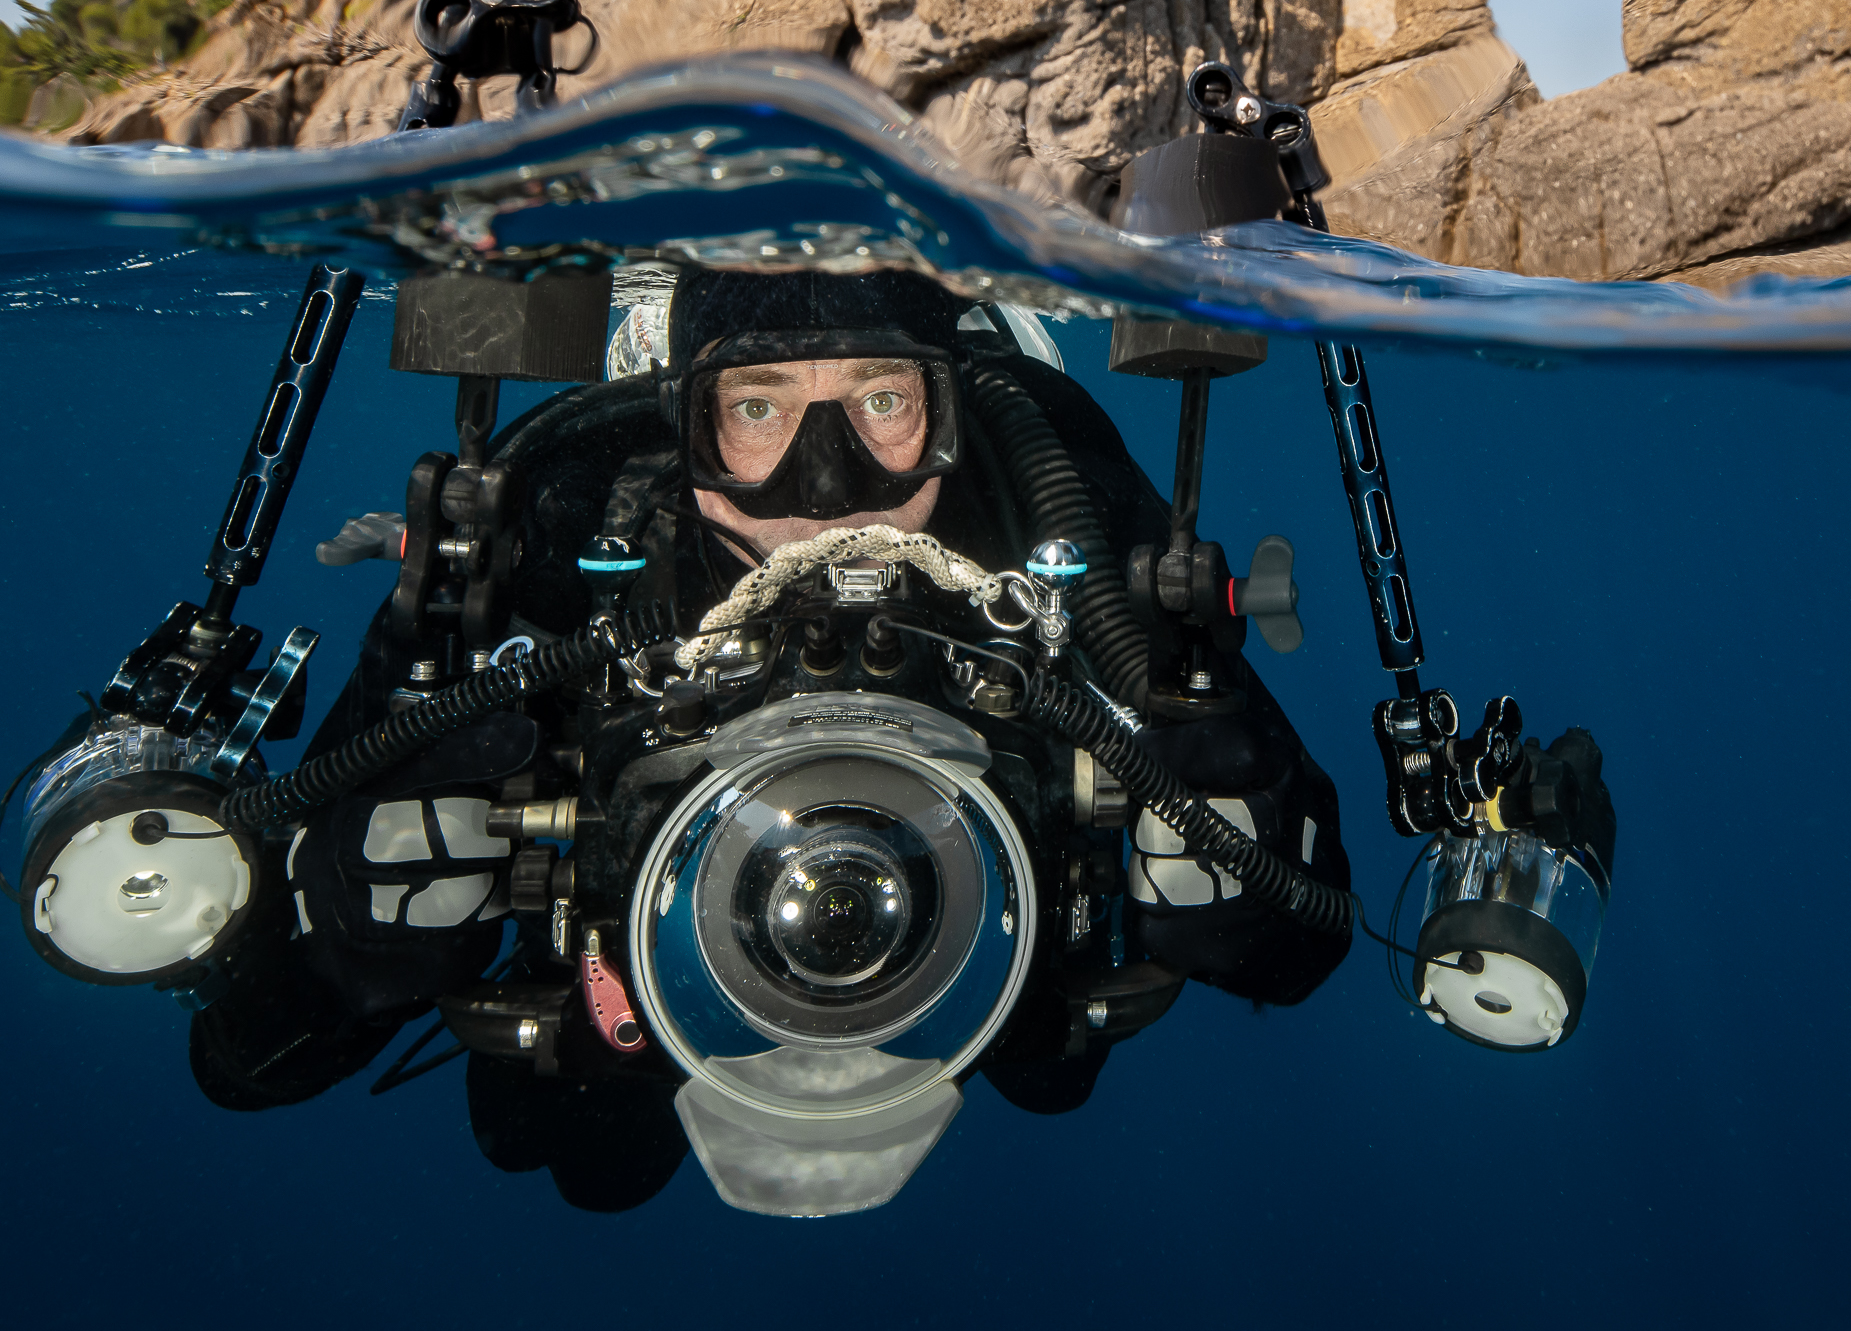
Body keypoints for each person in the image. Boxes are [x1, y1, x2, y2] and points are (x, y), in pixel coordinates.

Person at [184, 266, 1351, 1210]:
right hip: (622, 997)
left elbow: (1305, 938)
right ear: (684, 419)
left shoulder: (1059, 506)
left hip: (994, 968)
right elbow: (243, 1063)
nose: (825, 485)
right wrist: (344, 953)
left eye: (883, 401)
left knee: (1049, 1064)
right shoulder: (564, 510)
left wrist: (1238, 875)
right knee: (581, 1149)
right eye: (756, 408)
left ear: (949, 407)